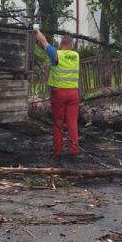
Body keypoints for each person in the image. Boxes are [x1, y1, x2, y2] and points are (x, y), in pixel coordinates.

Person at [34, 28, 80, 158]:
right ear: (71, 45)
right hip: (73, 94)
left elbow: (43, 41)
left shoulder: (56, 54)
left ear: (61, 44)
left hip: (59, 94)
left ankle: (58, 151)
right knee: (72, 122)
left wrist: (36, 30)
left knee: (58, 122)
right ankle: (74, 150)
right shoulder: (76, 56)